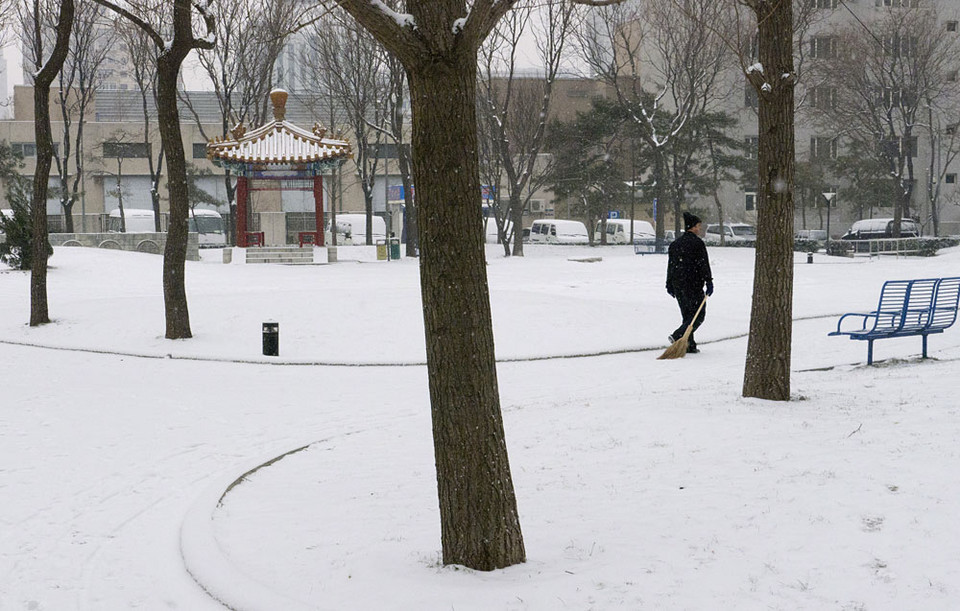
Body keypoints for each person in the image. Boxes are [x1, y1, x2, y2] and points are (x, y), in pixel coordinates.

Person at [666, 212, 713, 354]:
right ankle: (679, 335)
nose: (699, 229)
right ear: (692, 227)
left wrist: (669, 283)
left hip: (678, 285)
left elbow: (671, 265)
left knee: (687, 315)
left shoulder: (675, 244)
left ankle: (689, 344)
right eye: (698, 226)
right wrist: (709, 281)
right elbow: (703, 264)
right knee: (698, 315)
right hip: (693, 284)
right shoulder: (698, 244)